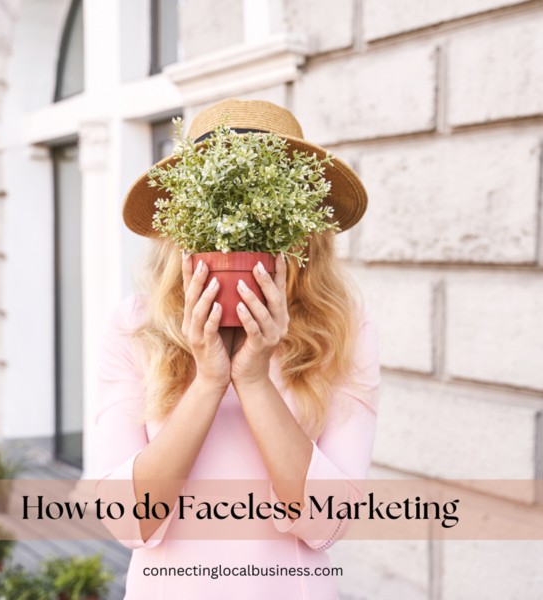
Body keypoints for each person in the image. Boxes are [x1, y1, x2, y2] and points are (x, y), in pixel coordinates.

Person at [95, 99, 380, 599]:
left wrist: (252, 380)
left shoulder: (343, 328)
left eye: (263, 205)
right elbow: (126, 522)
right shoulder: (134, 325)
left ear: (301, 224)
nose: (240, 230)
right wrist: (208, 382)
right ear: (184, 222)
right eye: (221, 207)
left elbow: (329, 522)